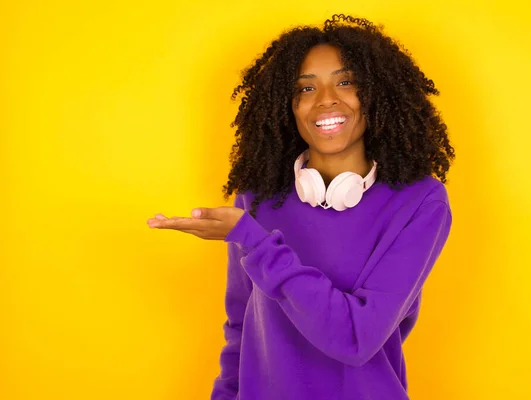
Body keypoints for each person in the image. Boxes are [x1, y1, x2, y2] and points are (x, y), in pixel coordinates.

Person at [147, 14, 455, 400]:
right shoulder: (257, 198)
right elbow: (242, 327)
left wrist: (256, 243)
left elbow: (356, 339)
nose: (326, 99)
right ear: (288, 107)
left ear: (375, 94)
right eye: (305, 89)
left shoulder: (419, 203)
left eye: (345, 82)